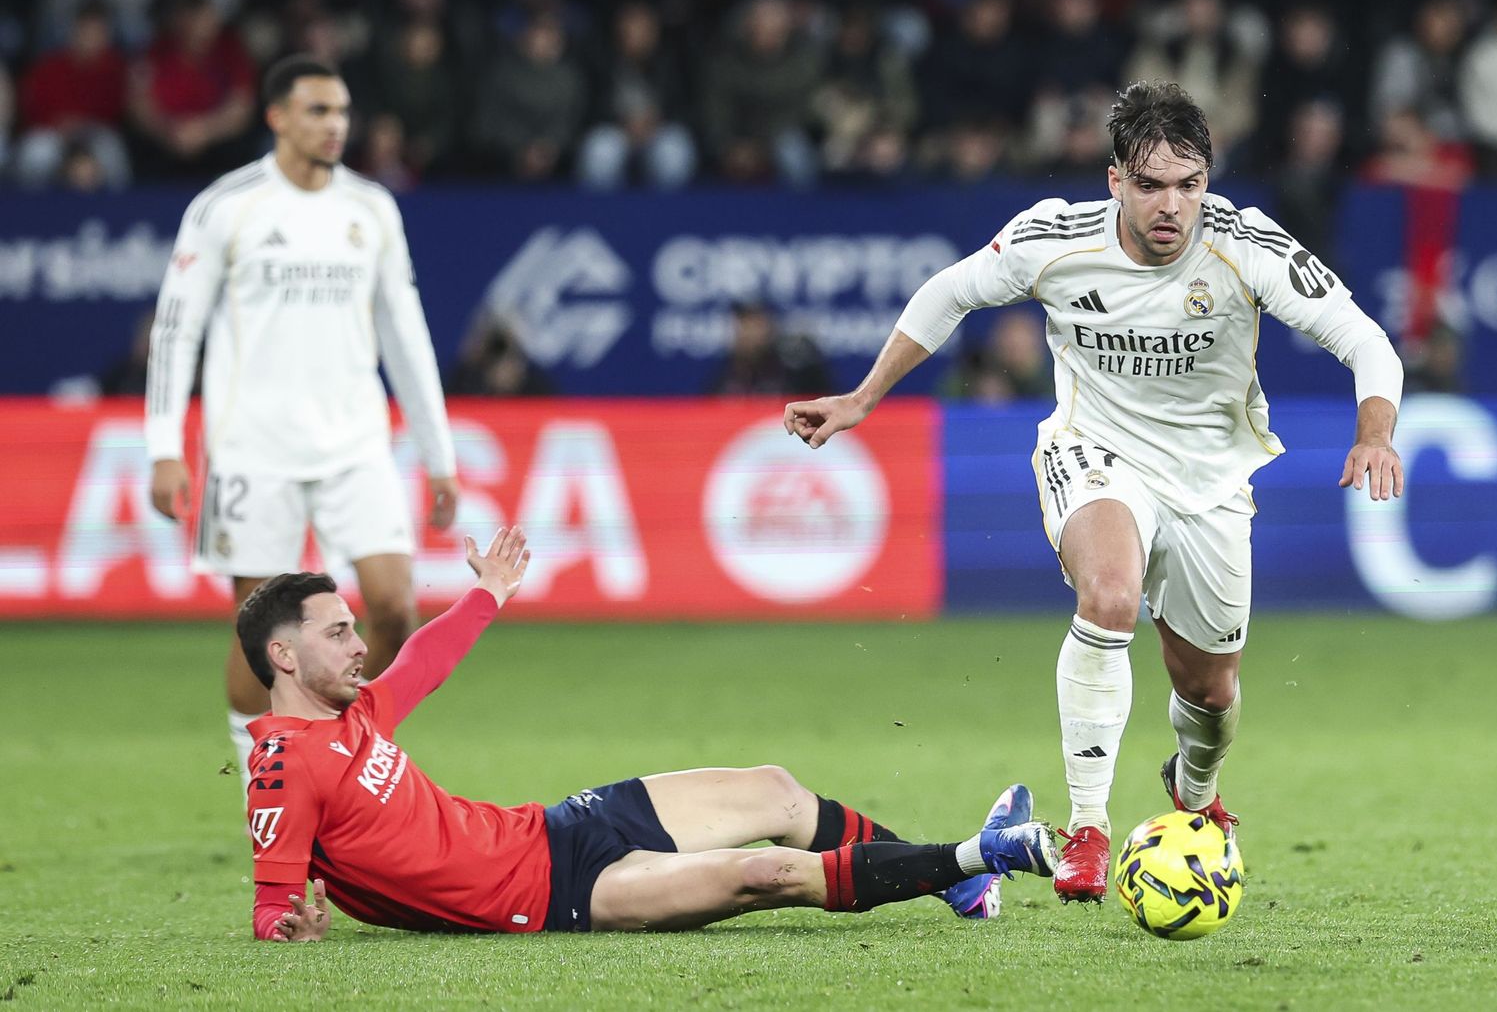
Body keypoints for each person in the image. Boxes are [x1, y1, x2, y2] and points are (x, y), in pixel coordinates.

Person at [783, 81, 1405, 905]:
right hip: (1094, 450)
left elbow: (1365, 339)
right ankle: (1087, 827)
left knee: (1210, 692)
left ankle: (1194, 789)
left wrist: (1375, 432)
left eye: (1189, 184)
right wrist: (863, 397)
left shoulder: (1245, 243)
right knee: (1109, 595)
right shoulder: (1055, 238)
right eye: (1150, 184)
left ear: (1208, 182)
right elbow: (950, 291)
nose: (1171, 205)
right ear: (1115, 180)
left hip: (1211, 481)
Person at [243, 527, 1060, 940]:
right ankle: (978, 856)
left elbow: (424, 661)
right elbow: (272, 904)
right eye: (338, 633)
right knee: (767, 873)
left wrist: (489, 592)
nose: (359, 645)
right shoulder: (283, 764)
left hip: (556, 828)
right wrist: (292, 928)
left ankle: (955, 886)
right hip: (561, 897)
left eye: (354, 628)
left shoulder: (356, 712)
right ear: (283, 655)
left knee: (774, 790)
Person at [144, 54, 459, 793]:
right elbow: (176, 327)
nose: (334, 125)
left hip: (355, 443)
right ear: (277, 117)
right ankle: (261, 781)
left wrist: (438, 453)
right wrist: (164, 445)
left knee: (394, 604)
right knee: (262, 629)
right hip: (254, 447)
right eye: (318, 110)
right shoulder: (228, 206)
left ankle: (353, 763)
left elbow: (405, 335)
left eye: (342, 110)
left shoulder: (371, 209)